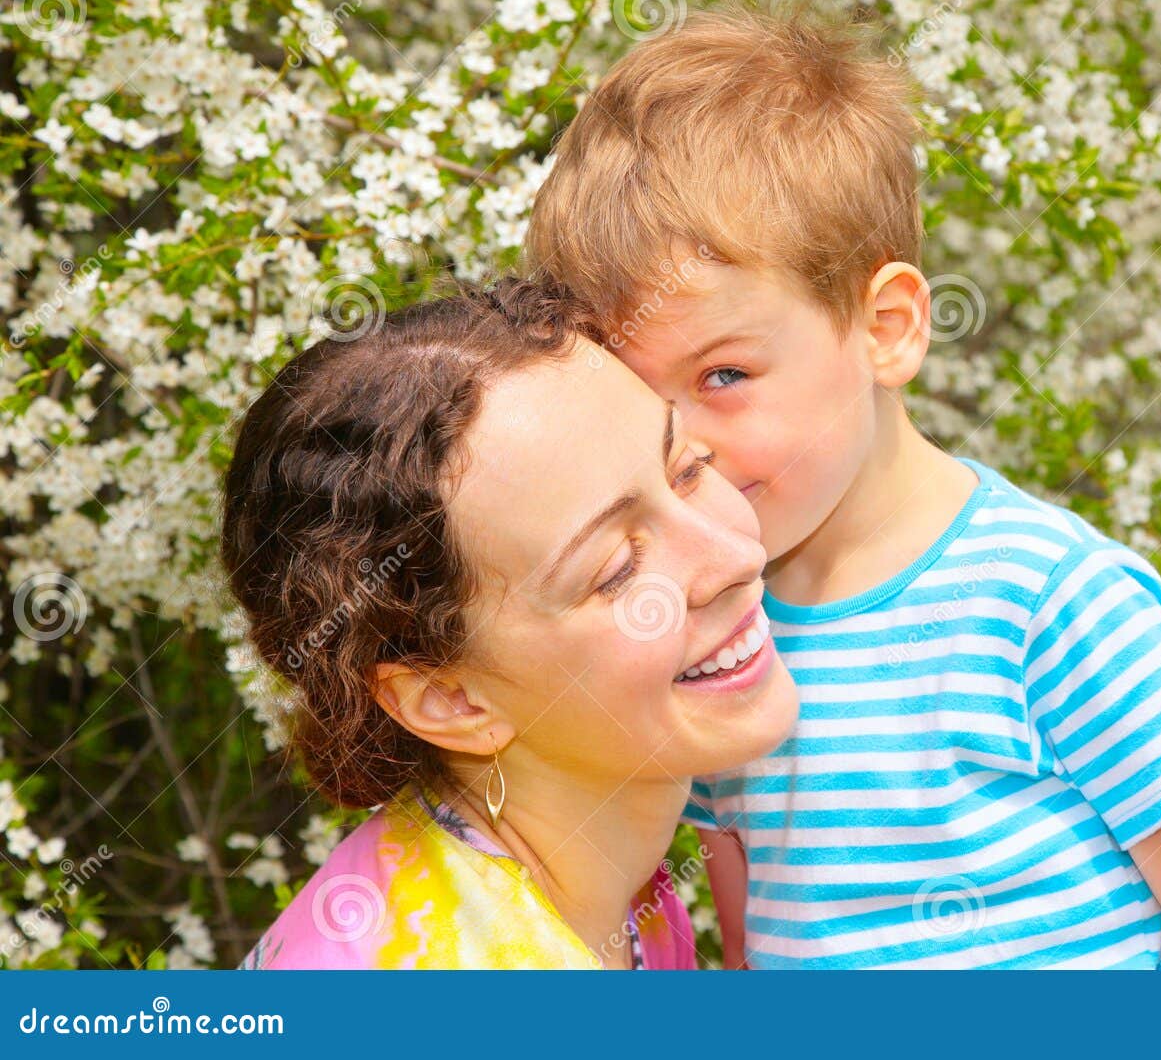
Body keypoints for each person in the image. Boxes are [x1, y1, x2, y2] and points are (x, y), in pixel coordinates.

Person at [519, 0, 1161, 969]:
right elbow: (749, 950)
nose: (687, 450)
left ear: (886, 327)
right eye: (643, 405)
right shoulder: (713, 634)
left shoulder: (1052, 602)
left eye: (723, 375)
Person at [220, 278, 799, 969]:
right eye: (615, 568)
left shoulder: (596, 888)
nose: (735, 554)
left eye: (688, 469)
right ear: (449, 698)